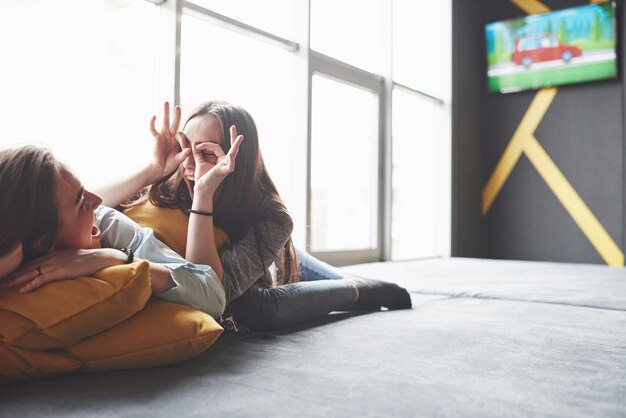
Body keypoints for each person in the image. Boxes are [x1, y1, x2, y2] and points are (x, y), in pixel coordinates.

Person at [101, 101, 411, 332]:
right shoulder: (172, 176)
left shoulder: (271, 215)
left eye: (207, 152)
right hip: (248, 253)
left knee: (260, 309)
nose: (190, 164)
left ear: (236, 159)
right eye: (186, 147)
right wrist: (153, 169)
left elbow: (211, 290)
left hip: (251, 279)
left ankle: (358, 288)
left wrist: (204, 195)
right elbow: (84, 208)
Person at [0, 145, 227, 319]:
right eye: (81, 201)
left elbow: (213, 295)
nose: (98, 200)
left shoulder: (106, 224)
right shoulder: (10, 254)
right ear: (43, 242)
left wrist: (118, 258)